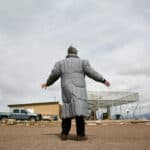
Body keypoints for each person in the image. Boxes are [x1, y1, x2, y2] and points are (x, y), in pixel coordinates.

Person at [41, 46, 110, 141]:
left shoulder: (60, 63)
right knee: (79, 112)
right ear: (76, 53)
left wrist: (47, 83)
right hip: (79, 89)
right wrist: (103, 80)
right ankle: (80, 135)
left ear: (68, 53)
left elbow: (54, 74)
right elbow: (92, 73)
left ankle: (64, 134)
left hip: (66, 88)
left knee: (67, 110)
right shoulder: (83, 62)